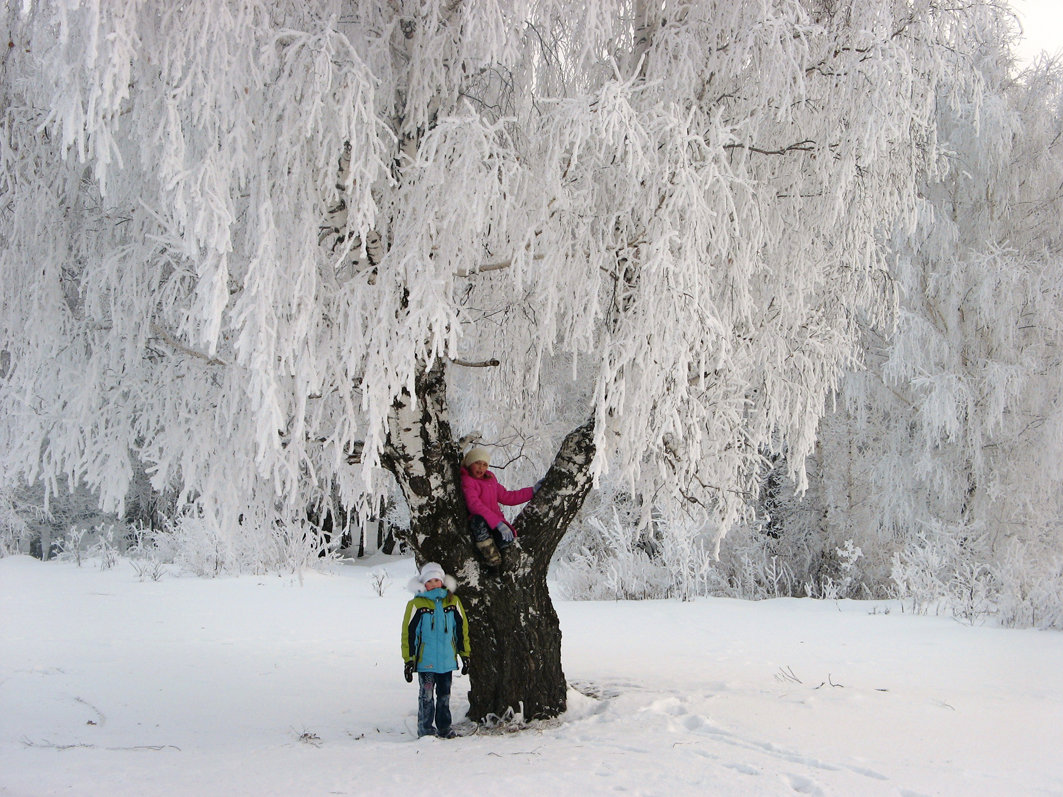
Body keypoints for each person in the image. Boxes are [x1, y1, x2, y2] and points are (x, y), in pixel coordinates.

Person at [401, 562, 471, 739]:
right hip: (426, 661)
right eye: (429, 581)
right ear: (423, 584)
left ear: (443, 581)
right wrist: (409, 660)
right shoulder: (416, 604)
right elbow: (409, 633)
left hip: (447, 660)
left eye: (436, 580)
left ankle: (444, 728)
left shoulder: (453, 602)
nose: (433, 584)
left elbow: (461, 630)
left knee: (444, 696)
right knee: (426, 697)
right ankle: (425, 729)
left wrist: (465, 655)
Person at [460, 446, 538, 567]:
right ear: (470, 464)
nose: (481, 467)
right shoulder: (468, 481)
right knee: (478, 522)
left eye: (485, 464)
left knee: (506, 543)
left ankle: (500, 566)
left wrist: (532, 491)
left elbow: (508, 496)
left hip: (496, 524)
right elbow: (474, 505)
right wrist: (497, 523)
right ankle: (489, 555)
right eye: (477, 463)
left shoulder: (490, 480)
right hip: (483, 523)